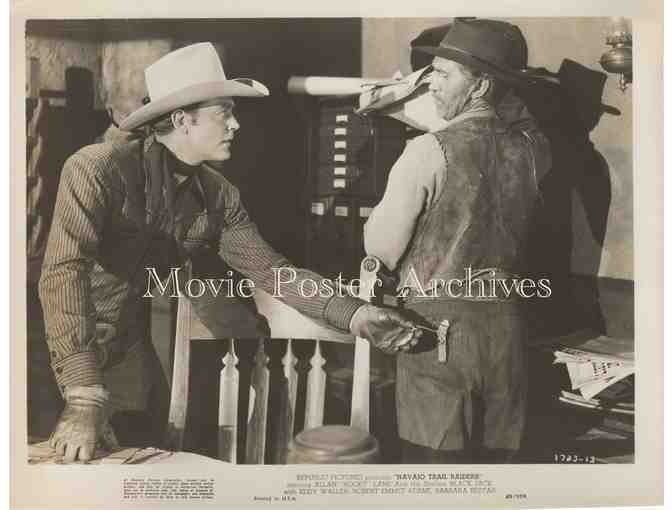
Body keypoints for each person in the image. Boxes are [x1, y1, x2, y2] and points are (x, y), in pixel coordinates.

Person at [38, 42, 420, 462]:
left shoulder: (218, 195)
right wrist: (83, 396)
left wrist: (357, 313)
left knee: (138, 459)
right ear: (183, 120)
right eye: (224, 113)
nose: (236, 124)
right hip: (59, 349)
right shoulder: (95, 169)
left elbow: (273, 272)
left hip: (128, 354)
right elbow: (64, 272)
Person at [363, 19, 551, 463]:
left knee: (435, 476)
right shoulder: (536, 150)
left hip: (437, 337)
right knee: (497, 475)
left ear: (481, 85)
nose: (432, 85)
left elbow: (381, 248)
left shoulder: (427, 150)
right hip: (508, 336)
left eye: (444, 75)